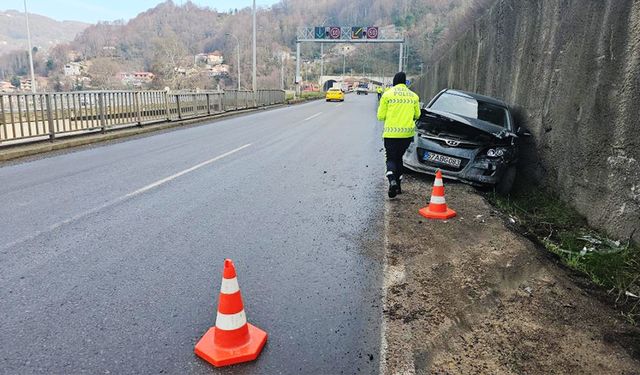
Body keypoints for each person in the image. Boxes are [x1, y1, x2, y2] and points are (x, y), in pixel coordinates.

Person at [376, 72, 420, 198]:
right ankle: (399, 186)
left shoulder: (387, 95)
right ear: (405, 81)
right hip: (406, 134)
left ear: (394, 81)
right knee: (399, 158)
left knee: (390, 158)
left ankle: (392, 181)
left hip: (391, 134)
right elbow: (417, 115)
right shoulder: (414, 96)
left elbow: (380, 116)